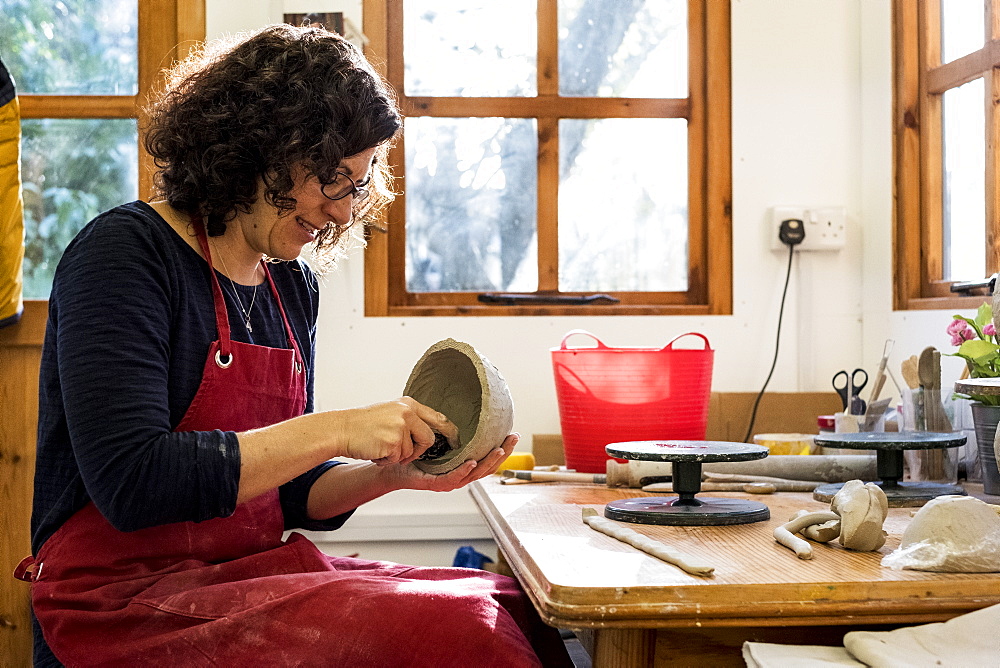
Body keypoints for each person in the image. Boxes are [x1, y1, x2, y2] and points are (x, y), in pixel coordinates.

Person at [16, 24, 572, 667]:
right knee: (471, 634)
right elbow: (135, 482)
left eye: (358, 183)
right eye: (333, 176)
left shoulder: (290, 285)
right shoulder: (125, 254)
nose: (342, 210)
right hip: (120, 603)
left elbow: (286, 493)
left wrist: (392, 475)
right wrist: (339, 428)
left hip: (242, 582)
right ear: (262, 144)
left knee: (518, 606)